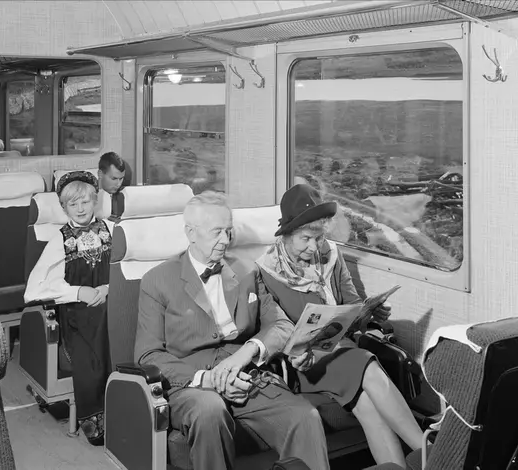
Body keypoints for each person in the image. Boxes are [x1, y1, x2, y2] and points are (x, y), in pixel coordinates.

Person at [135, 191, 331, 470]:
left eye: (228, 231)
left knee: (305, 417)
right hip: (192, 386)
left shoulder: (247, 270)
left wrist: (247, 352)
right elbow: (148, 354)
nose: (226, 240)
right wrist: (207, 379)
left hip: (246, 376)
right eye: (216, 232)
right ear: (191, 233)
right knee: (209, 411)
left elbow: (281, 325)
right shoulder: (157, 280)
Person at [256, 184, 423, 468]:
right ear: (287, 235)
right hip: (301, 363)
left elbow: (352, 305)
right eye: (305, 239)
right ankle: (431, 453)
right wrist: (298, 352)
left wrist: (371, 314)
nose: (314, 247)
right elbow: (272, 330)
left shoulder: (331, 255)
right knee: (366, 363)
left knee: (368, 407)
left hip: (340, 349)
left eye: (319, 237)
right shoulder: (265, 270)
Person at [24, 171, 113, 446]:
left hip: (110, 303)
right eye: (73, 204)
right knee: (94, 334)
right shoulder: (59, 240)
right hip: (76, 313)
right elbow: (33, 290)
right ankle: (96, 417)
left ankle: (127, 408)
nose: (81, 209)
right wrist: (78, 292)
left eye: (85, 202)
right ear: (64, 208)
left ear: (95, 201)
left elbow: (126, 270)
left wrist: (108, 288)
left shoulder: (111, 229)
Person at [97, 151, 132, 220]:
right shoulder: (87, 198)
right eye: (114, 179)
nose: (119, 184)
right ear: (100, 174)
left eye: (121, 179)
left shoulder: (122, 197)